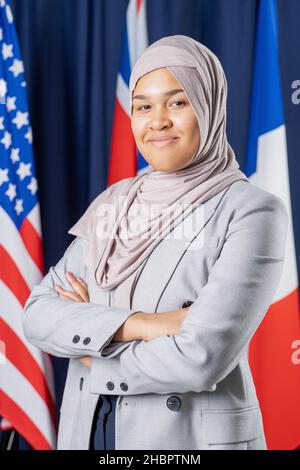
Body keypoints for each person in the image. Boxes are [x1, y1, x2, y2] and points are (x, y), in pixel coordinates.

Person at [23, 35, 288, 450]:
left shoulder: (252, 212)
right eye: (143, 106)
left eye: (178, 102)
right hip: (87, 430)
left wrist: (92, 352)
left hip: (186, 442)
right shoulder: (115, 203)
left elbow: (199, 357)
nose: (157, 120)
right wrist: (144, 325)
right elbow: (38, 313)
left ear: (209, 106)